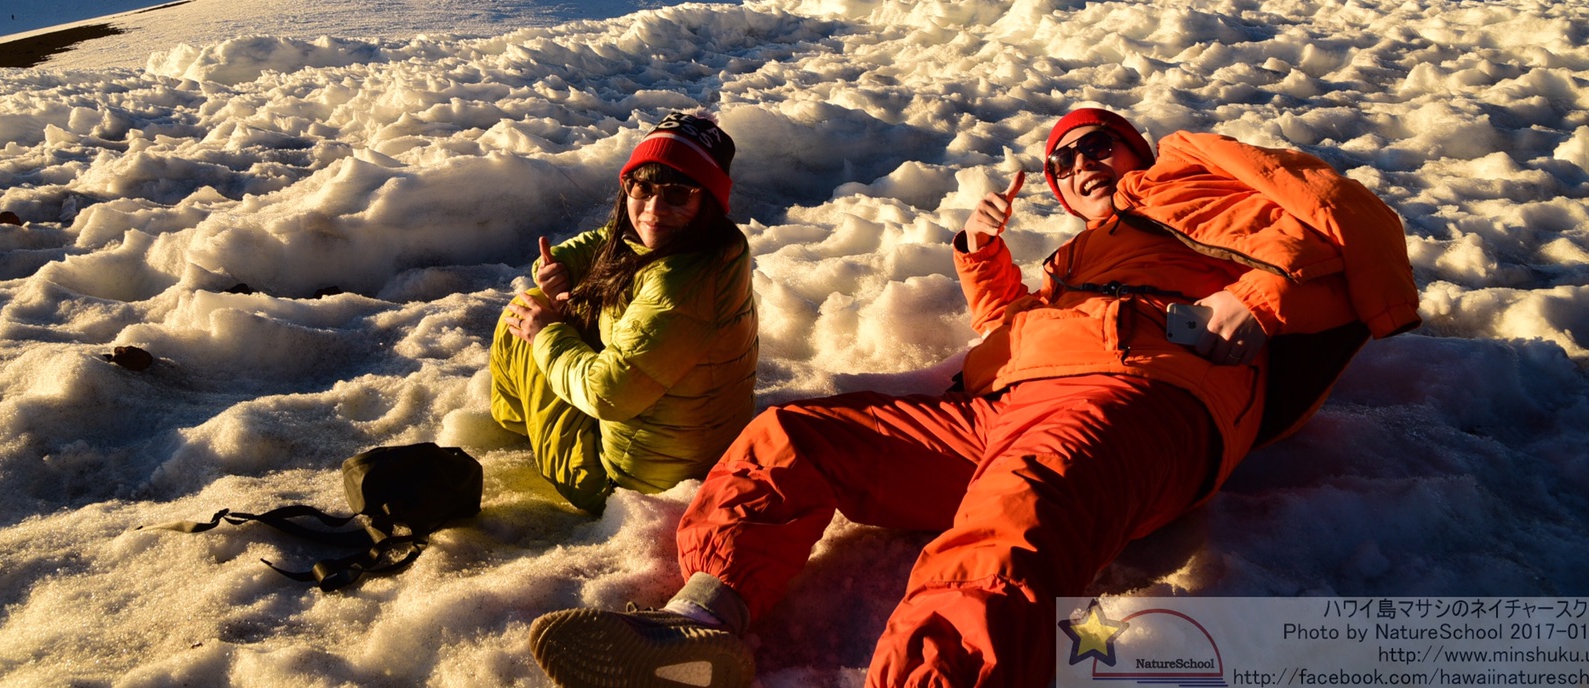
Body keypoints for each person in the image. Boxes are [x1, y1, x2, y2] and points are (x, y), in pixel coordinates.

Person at [527, 106, 1416, 688]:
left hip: (1136, 398)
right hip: (1009, 405)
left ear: (1137, 149)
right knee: (793, 435)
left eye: (1095, 143)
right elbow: (1013, 331)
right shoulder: (1077, 260)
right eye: (1062, 161)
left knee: (1010, 527)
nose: (1077, 162)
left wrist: (1251, 301)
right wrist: (982, 252)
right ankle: (703, 624)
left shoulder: (1196, 179)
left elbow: (1356, 226)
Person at [490, 112, 758, 513]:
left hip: (626, 485)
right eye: (642, 187)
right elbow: (614, 241)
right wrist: (561, 266)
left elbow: (607, 394)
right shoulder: (715, 245)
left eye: (678, 193)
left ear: (707, 199)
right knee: (568, 304)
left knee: (526, 312)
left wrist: (545, 334)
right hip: (682, 451)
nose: (653, 209)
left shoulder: (680, 283)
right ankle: (533, 417)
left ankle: (518, 423)